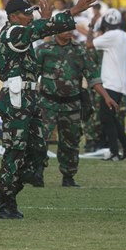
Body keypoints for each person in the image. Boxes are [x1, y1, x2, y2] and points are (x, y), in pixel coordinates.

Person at [0, 0, 98, 220]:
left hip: (29, 96)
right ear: (13, 16)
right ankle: (6, 202)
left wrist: (47, 22)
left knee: (39, 150)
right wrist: (74, 10)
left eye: (31, 13)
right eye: (26, 13)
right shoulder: (12, 33)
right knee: (16, 149)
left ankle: (5, 190)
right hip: (16, 96)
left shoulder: (21, 32)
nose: (30, 17)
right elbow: (37, 31)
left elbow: (39, 30)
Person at [36, 29, 109, 187]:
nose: (69, 32)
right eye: (65, 28)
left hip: (72, 104)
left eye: (71, 28)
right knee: (40, 138)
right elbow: (31, 74)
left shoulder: (80, 50)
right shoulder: (43, 49)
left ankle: (68, 176)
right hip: (47, 103)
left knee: (71, 141)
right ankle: (37, 173)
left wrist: (106, 97)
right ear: (57, 29)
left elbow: (93, 76)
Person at [87, 8, 126, 161]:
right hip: (122, 84)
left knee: (106, 118)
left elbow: (89, 45)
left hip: (110, 83)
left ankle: (114, 152)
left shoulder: (110, 36)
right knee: (111, 117)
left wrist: (91, 26)